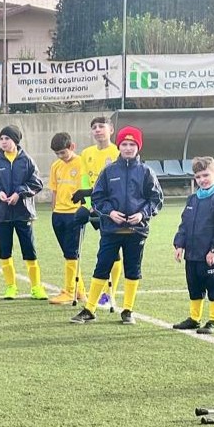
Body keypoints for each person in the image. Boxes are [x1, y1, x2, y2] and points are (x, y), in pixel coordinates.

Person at [71, 126, 163, 326]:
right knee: (102, 266)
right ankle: (90, 309)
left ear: (138, 147)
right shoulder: (109, 171)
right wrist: (110, 212)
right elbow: (97, 197)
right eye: (124, 144)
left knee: (133, 270)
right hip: (111, 230)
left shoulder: (147, 172)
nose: (128, 148)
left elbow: (156, 200)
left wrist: (142, 214)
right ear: (119, 146)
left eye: (132, 144)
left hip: (136, 231)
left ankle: (128, 310)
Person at [0, 125, 46, 300]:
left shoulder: (27, 161)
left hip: (23, 213)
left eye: (7, 138)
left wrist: (19, 193)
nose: (3, 142)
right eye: (1, 138)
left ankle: (36, 287)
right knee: (4, 251)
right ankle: (11, 287)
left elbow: (37, 183)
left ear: (15, 140)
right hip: (1, 215)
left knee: (29, 251)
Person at [172, 156, 214, 334]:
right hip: (192, 254)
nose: (202, 180)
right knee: (194, 285)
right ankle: (194, 318)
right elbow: (184, 224)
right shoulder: (192, 199)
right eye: (198, 177)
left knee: (213, 286)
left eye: (206, 175)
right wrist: (179, 244)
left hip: (210, 254)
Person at [80, 116, 123, 308]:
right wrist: (89, 203)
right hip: (95, 208)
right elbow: (84, 180)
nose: (97, 130)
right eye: (94, 127)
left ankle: (109, 292)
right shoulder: (86, 153)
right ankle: (104, 290)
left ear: (111, 129)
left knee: (113, 249)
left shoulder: (118, 152)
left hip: (113, 209)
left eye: (101, 126)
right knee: (105, 246)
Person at [46, 132, 90, 305]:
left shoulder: (81, 164)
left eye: (63, 152)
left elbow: (86, 188)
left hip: (75, 213)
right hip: (59, 214)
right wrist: (54, 211)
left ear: (72, 147)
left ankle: (69, 291)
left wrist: (85, 209)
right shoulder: (56, 166)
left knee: (72, 253)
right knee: (68, 254)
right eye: (57, 154)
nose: (60, 157)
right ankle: (80, 291)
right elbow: (54, 190)